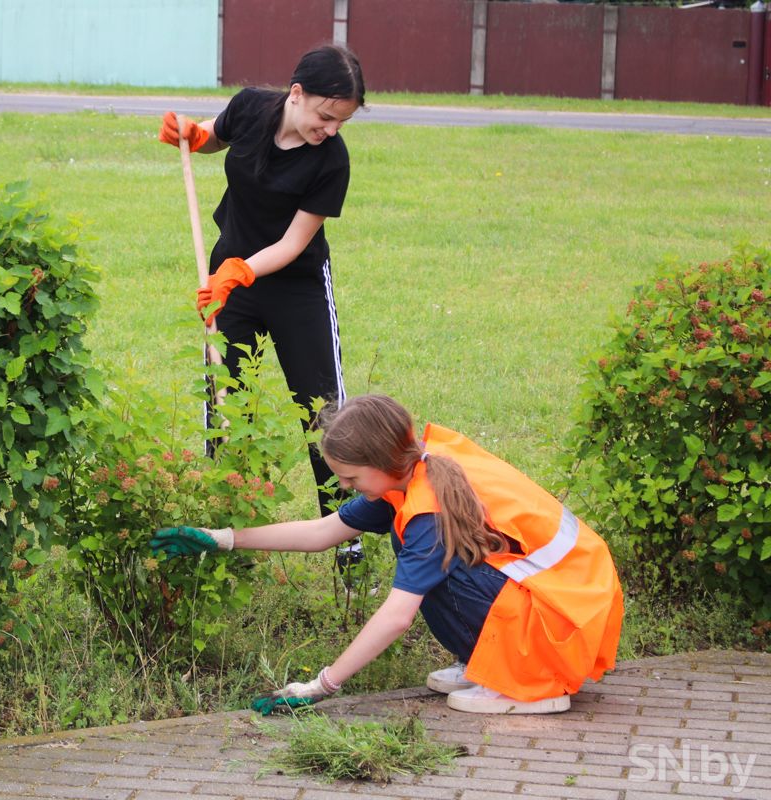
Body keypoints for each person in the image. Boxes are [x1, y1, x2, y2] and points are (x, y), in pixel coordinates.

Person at [150, 394, 625, 715]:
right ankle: (491, 663)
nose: (344, 486)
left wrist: (321, 686)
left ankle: (528, 683)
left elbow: (398, 615)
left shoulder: (428, 512)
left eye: (351, 478)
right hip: (560, 611)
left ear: (380, 462)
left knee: (433, 565)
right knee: (429, 559)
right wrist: (223, 538)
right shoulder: (413, 469)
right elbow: (324, 532)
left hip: (560, 627)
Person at [158, 44, 365, 516]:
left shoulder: (332, 160)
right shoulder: (251, 107)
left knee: (323, 409)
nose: (331, 130)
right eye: (326, 116)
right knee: (227, 399)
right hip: (229, 280)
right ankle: (229, 516)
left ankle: (345, 528)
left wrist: (242, 270)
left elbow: (293, 243)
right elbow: (215, 136)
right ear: (297, 93)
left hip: (298, 286)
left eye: (342, 122)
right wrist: (191, 133)